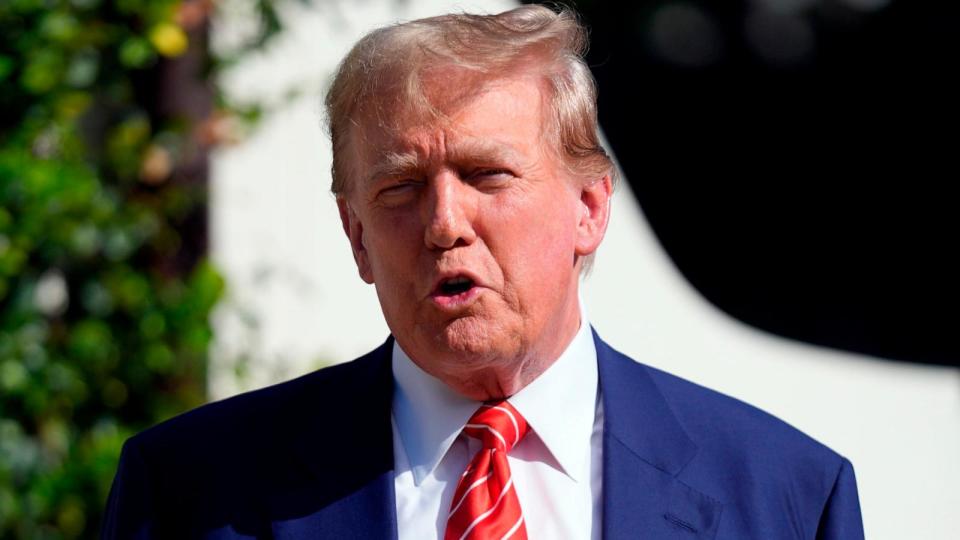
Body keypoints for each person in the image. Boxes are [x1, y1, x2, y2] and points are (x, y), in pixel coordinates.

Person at [102, 5, 864, 539]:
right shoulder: (190, 488)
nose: (443, 223)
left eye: (487, 175)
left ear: (590, 208)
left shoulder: (782, 493)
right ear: (356, 236)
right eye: (399, 188)